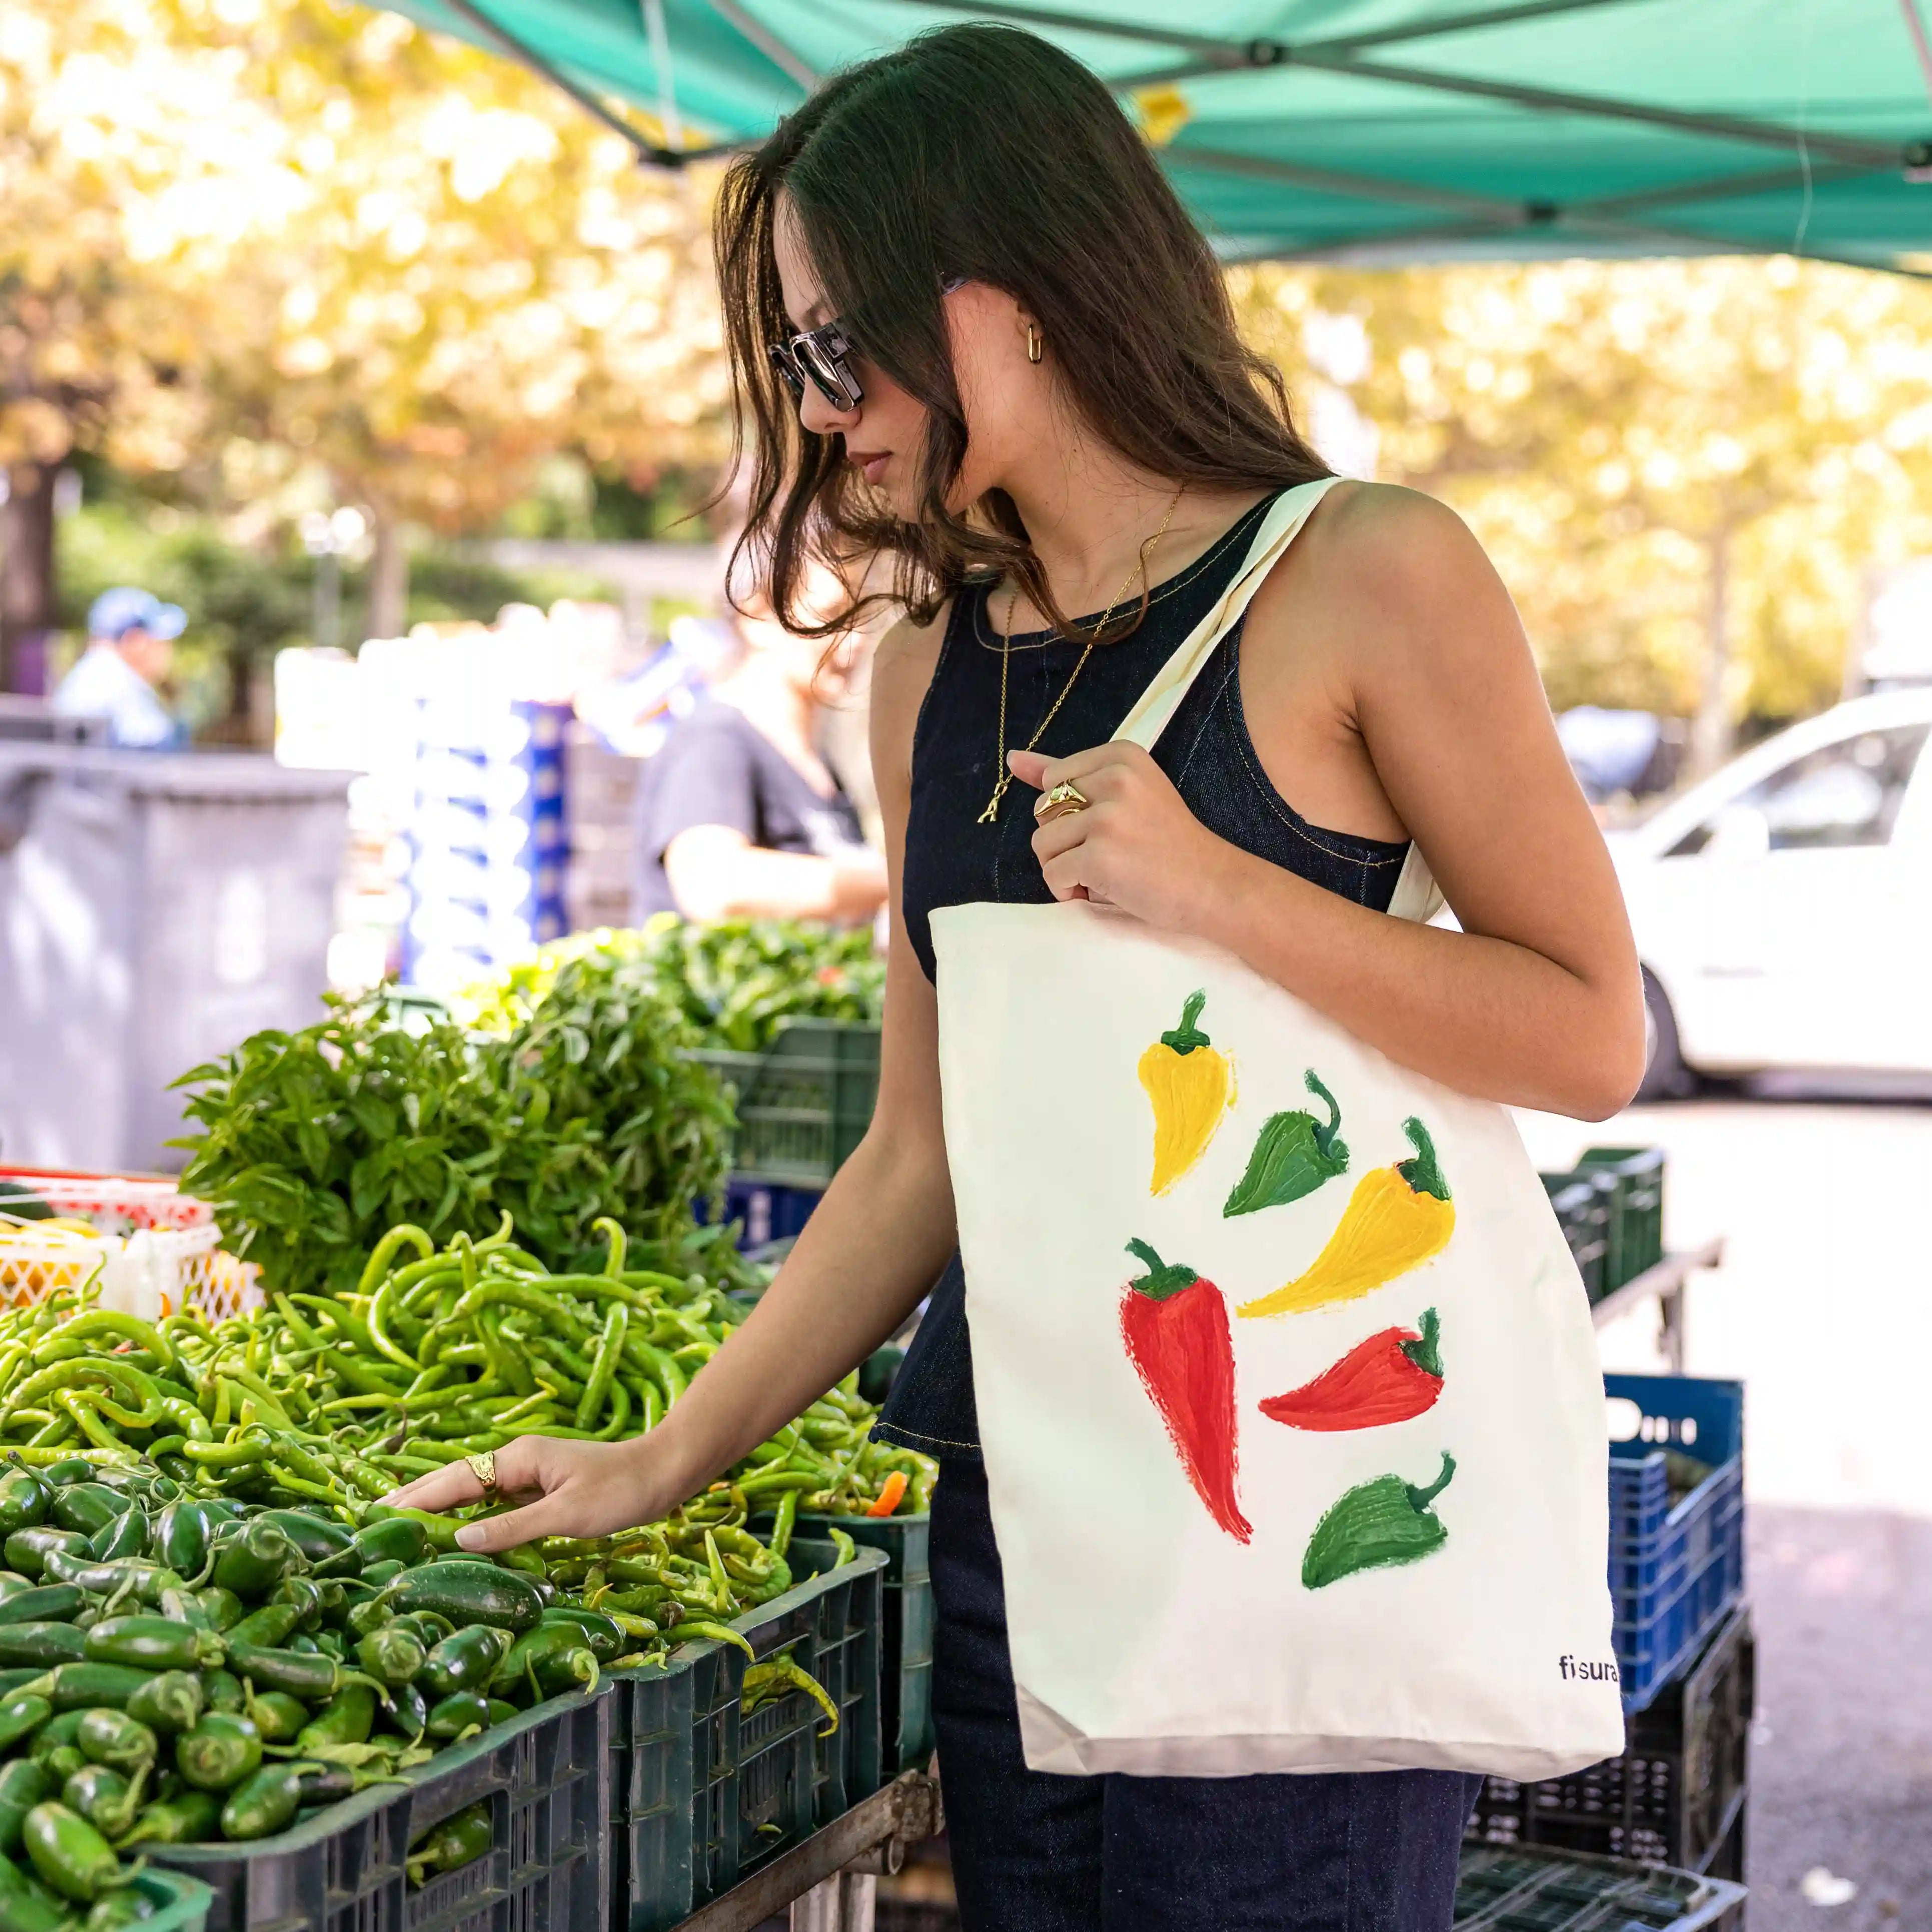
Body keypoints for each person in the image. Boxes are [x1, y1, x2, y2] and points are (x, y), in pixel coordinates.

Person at [384, 26, 1646, 1930]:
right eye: (796, 359)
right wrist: (672, 1452)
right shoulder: (924, 667)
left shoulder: (1369, 572)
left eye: (833, 344)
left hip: (1302, 1519)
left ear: (1011, 303)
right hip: (1015, 1509)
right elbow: (919, 1153)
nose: (820, 413)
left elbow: (1588, 1029)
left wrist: (1218, 890)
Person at [633, 584, 887, 924]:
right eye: (833, 617)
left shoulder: (816, 759)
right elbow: (712, 886)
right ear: (757, 618)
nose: (855, 640)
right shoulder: (714, 741)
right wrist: (898, 882)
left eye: (863, 619)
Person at [51, 588, 188, 750]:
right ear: (135, 641)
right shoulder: (113, 683)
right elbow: (160, 755)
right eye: (161, 641)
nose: (168, 650)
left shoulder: (94, 673)